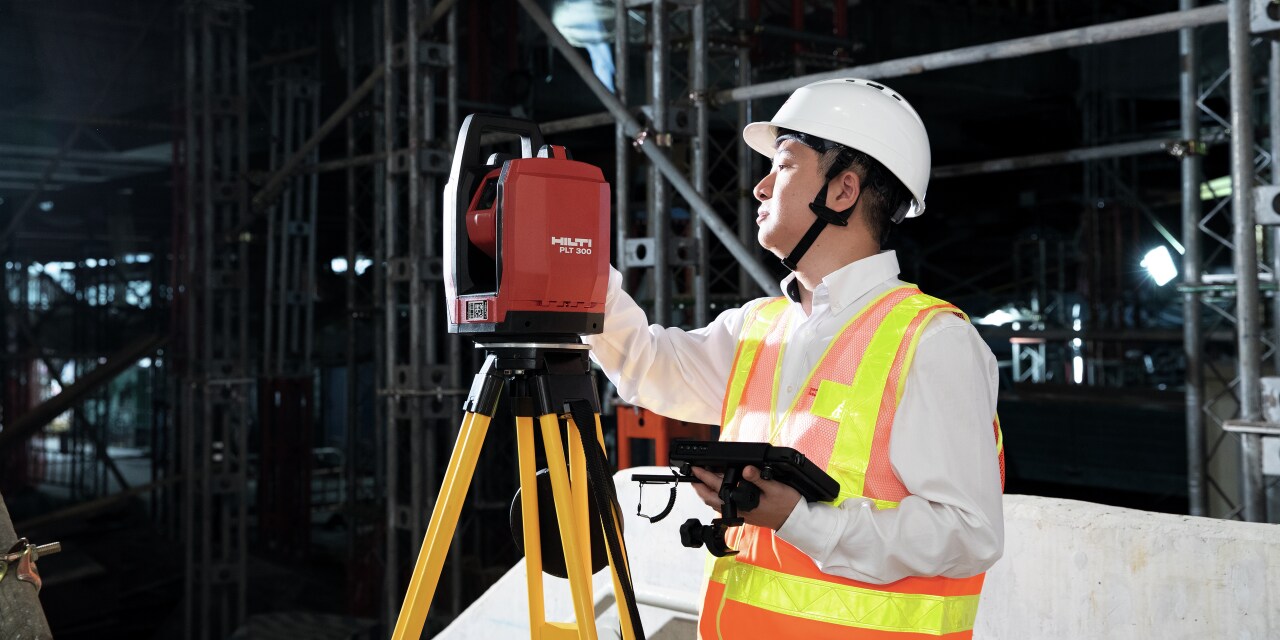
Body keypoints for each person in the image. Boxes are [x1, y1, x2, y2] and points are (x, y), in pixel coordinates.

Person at [585, 78, 1005, 639]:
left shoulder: (932, 341)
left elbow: (968, 534)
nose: (759, 188)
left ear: (842, 190)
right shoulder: (759, 328)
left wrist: (797, 520)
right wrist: (575, 267)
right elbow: (644, 363)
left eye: (782, 165)